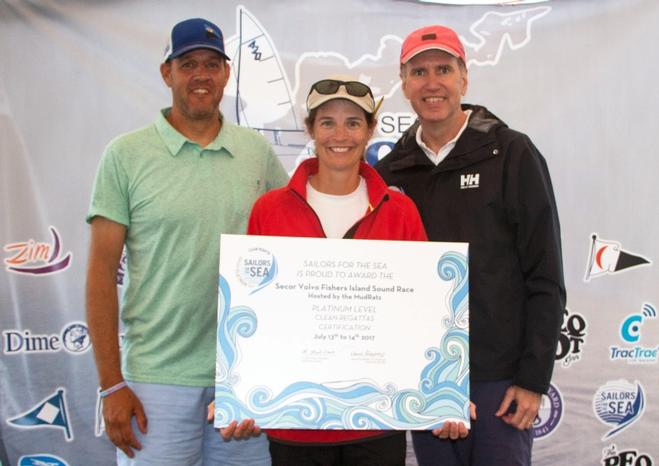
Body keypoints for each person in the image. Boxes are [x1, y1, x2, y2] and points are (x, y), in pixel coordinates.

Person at [85, 17, 288, 465]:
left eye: (212, 64)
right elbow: (101, 272)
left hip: (243, 378)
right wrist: (112, 383)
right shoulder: (126, 154)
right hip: (156, 380)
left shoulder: (256, 152)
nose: (201, 75)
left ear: (226, 74)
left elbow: (292, 251)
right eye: (188, 63)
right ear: (167, 72)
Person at [375, 25, 566, 466]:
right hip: (426, 381)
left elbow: (546, 275)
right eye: (418, 71)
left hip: (501, 381)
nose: (432, 82)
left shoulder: (512, 153)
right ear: (404, 84)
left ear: (464, 77)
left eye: (444, 68)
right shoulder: (390, 172)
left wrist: (533, 379)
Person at [246, 76, 427, 466]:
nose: (340, 134)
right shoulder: (269, 210)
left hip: (377, 418)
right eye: (327, 122)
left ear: (370, 130)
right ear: (310, 129)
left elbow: (422, 314)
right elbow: (254, 313)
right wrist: (241, 389)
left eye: (353, 122)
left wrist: (440, 393)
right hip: (294, 422)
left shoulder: (400, 212)